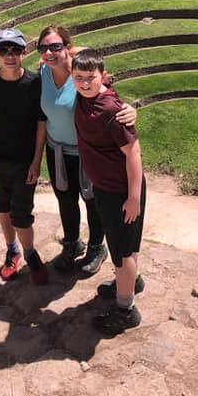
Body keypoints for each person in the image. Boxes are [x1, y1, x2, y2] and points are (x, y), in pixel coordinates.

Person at [37, 25, 136, 275]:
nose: (50, 52)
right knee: (65, 200)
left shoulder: (81, 73)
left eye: (56, 47)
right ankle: (71, 244)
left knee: (92, 202)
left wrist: (129, 110)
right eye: (44, 48)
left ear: (67, 48)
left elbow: (108, 95)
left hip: (85, 152)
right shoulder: (43, 73)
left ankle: (96, 247)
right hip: (56, 149)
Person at [72, 48, 146, 335]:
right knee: (126, 245)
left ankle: (125, 310)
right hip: (106, 187)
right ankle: (131, 282)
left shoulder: (113, 112)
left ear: (102, 76)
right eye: (79, 78)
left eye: (90, 78)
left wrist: (133, 197)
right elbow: (71, 54)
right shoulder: (84, 93)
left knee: (121, 252)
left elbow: (134, 152)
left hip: (121, 191)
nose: (84, 83)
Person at [0, 28, 50, 285]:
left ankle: (30, 253)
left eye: (16, 50)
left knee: (22, 213)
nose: (10, 55)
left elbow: (41, 124)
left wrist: (36, 161)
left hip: (24, 162)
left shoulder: (34, 84)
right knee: (2, 207)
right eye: (4, 50)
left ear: (24, 52)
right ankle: (12, 250)